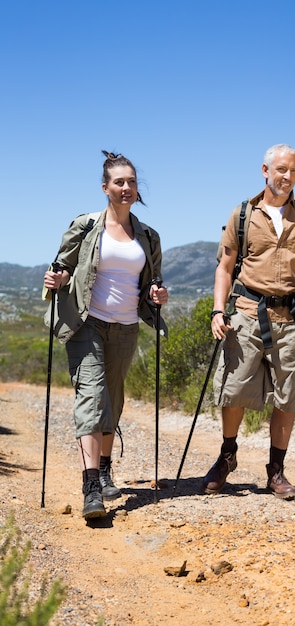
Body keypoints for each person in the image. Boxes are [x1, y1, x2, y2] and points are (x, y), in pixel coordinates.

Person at [43, 151, 168, 519]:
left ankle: (107, 467)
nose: (126, 187)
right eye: (119, 182)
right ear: (105, 188)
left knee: (112, 399)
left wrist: (157, 295)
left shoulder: (148, 236)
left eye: (131, 182)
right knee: (93, 398)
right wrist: (58, 279)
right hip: (87, 322)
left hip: (126, 326)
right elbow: (62, 266)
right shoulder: (85, 227)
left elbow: (153, 283)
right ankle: (91, 486)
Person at [204, 143, 295, 499]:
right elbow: (225, 268)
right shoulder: (242, 215)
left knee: (288, 396)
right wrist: (217, 310)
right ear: (265, 170)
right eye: (281, 170)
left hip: (291, 318)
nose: (287, 177)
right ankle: (227, 456)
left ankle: (276, 472)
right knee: (234, 390)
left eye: (293, 172)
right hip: (245, 313)